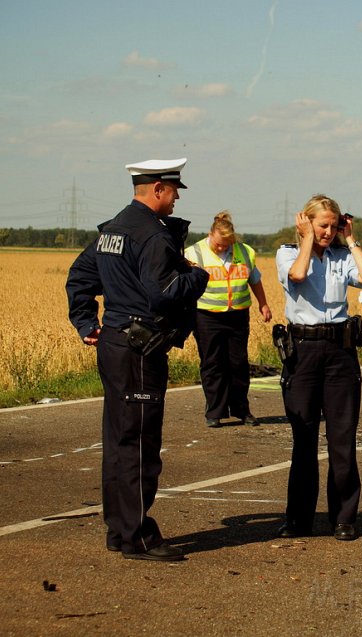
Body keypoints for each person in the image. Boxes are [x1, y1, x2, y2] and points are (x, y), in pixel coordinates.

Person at [65, 158, 209, 562]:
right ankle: (138, 536)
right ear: (158, 189)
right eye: (175, 190)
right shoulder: (151, 235)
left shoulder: (113, 229)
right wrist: (199, 277)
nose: (177, 197)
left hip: (114, 342)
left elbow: (79, 277)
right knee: (140, 443)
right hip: (140, 349)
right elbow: (163, 293)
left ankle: (119, 528)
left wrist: (85, 321)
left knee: (118, 440)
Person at [274, 194, 362, 541]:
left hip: (339, 351)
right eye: (323, 225)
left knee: (342, 439)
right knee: (303, 439)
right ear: (306, 222)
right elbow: (299, 275)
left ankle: (344, 518)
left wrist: (351, 239)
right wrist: (306, 240)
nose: (328, 232)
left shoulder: (341, 255)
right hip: (302, 350)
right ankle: (298, 519)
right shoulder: (288, 253)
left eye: (334, 226)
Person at [185, 211, 272, 428]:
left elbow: (255, 280)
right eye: (219, 244)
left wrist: (263, 303)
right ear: (210, 235)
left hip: (238, 314)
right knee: (213, 363)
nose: (223, 248)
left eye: (227, 244)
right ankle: (215, 412)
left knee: (238, 363)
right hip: (207, 315)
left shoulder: (244, 251)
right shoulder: (194, 253)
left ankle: (242, 410)